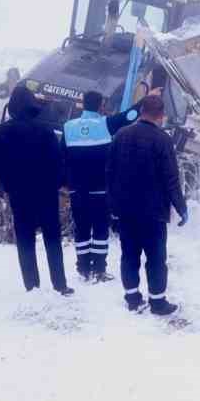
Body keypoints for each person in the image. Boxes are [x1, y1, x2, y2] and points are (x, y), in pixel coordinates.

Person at [0, 85, 74, 295]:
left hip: (19, 194)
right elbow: (57, 161)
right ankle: (60, 284)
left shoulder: (2, 132)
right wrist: (57, 184)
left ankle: (31, 285)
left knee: (25, 239)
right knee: (52, 238)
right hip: (46, 192)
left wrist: (8, 186)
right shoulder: (45, 130)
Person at [107, 93, 187, 315]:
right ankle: (158, 303)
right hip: (154, 212)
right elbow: (171, 178)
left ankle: (132, 299)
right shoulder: (163, 140)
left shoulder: (121, 135)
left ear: (141, 112)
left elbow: (110, 173)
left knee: (129, 255)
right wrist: (181, 208)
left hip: (125, 210)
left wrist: (112, 208)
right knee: (156, 258)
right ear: (161, 115)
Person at [62, 88, 146, 282]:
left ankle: (83, 268)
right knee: (100, 228)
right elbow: (130, 116)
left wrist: (65, 182)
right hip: (100, 189)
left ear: (82, 104)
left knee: (82, 228)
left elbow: (62, 157)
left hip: (77, 189)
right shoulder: (106, 124)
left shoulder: (68, 127)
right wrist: (148, 99)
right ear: (101, 106)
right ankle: (99, 269)